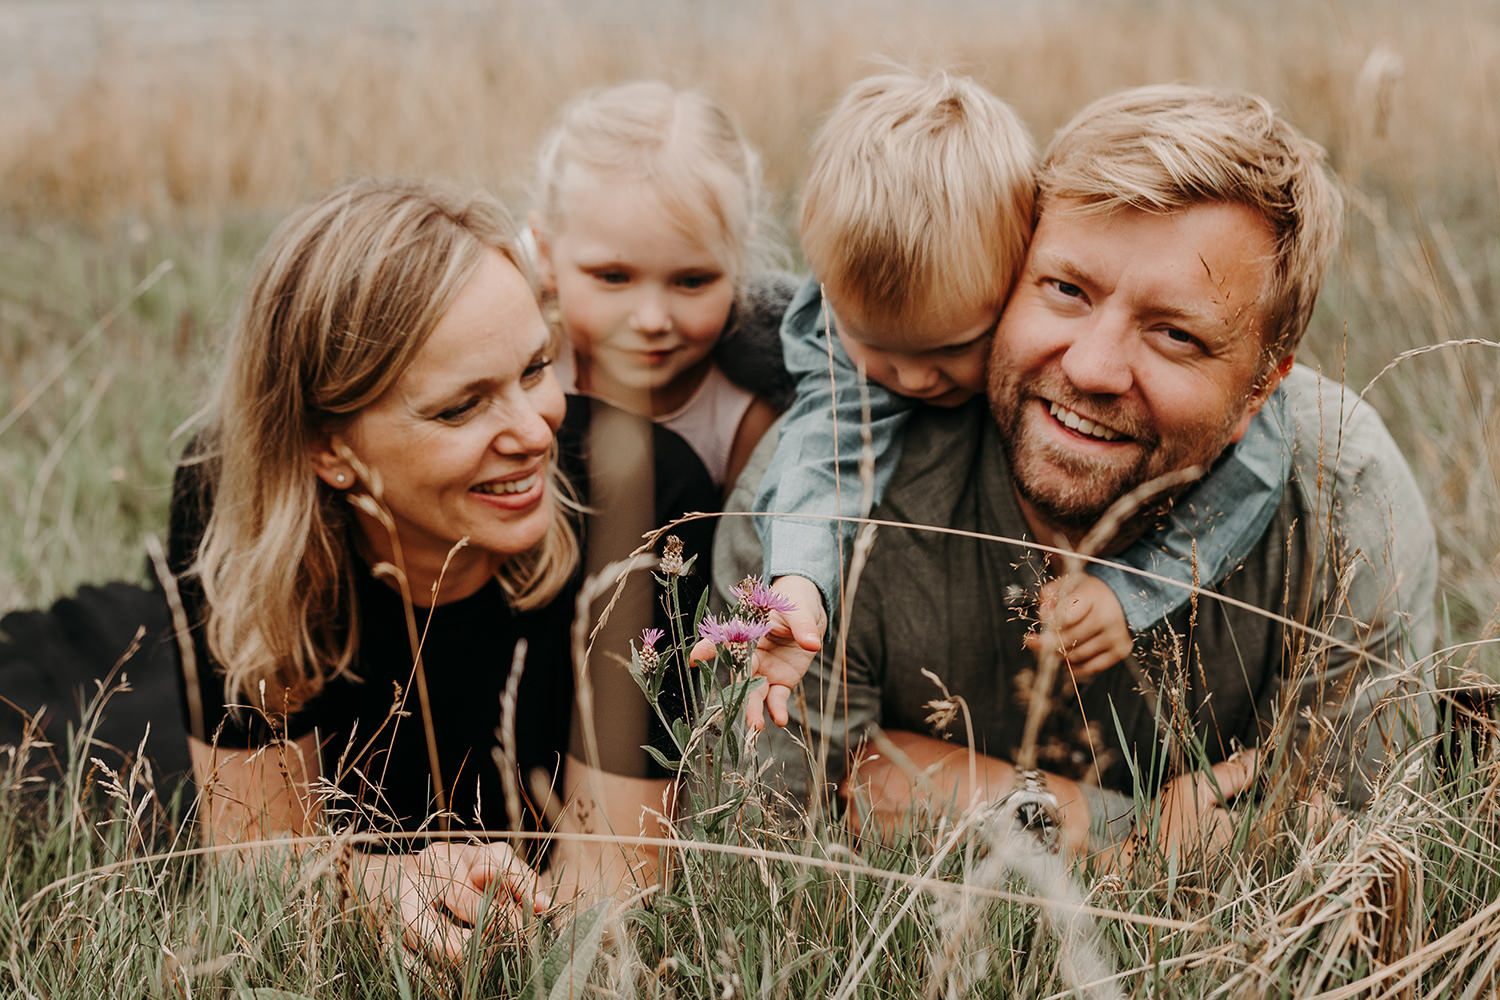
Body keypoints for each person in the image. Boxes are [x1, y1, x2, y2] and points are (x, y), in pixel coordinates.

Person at [718, 84, 1436, 859]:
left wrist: (947, 793)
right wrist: (1141, 840)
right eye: (1066, 290)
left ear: (1262, 389)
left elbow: (1360, 865)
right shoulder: (817, 501)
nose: (1093, 368)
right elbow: (762, 838)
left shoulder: (1343, 498)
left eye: (1175, 335)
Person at [171, 177, 716, 957]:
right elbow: (255, 869)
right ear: (328, 448)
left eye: (536, 368)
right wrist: (373, 886)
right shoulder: (231, 501)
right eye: (462, 407)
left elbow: (613, 891)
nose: (536, 432)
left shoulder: (644, 497)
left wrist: (504, 931)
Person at [735, 70, 1296, 734]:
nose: (907, 381)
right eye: (1067, 290)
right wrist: (798, 583)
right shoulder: (825, 370)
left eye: (1175, 334)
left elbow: (1260, 461)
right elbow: (819, 463)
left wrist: (1137, 590)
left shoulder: (1329, 482)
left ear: (1011, 266)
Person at [529, 80, 796, 493]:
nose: (652, 320)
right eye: (613, 277)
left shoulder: (744, 419)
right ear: (545, 255)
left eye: (692, 281)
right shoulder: (528, 369)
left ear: (737, 264)